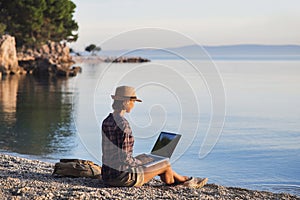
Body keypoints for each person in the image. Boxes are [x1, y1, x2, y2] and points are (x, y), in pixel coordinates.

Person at [101, 85, 208, 187]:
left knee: (155, 162)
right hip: (122, 178)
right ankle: (182, 182)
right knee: (165, 164)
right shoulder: (124, 125)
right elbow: (124, 159)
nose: (133, 105)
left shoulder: (107, 121)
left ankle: (183, 181)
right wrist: (141, 161)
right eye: (133, 101)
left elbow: (116, 155)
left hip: (107, 175)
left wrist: (139, 159)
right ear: (126, 102)